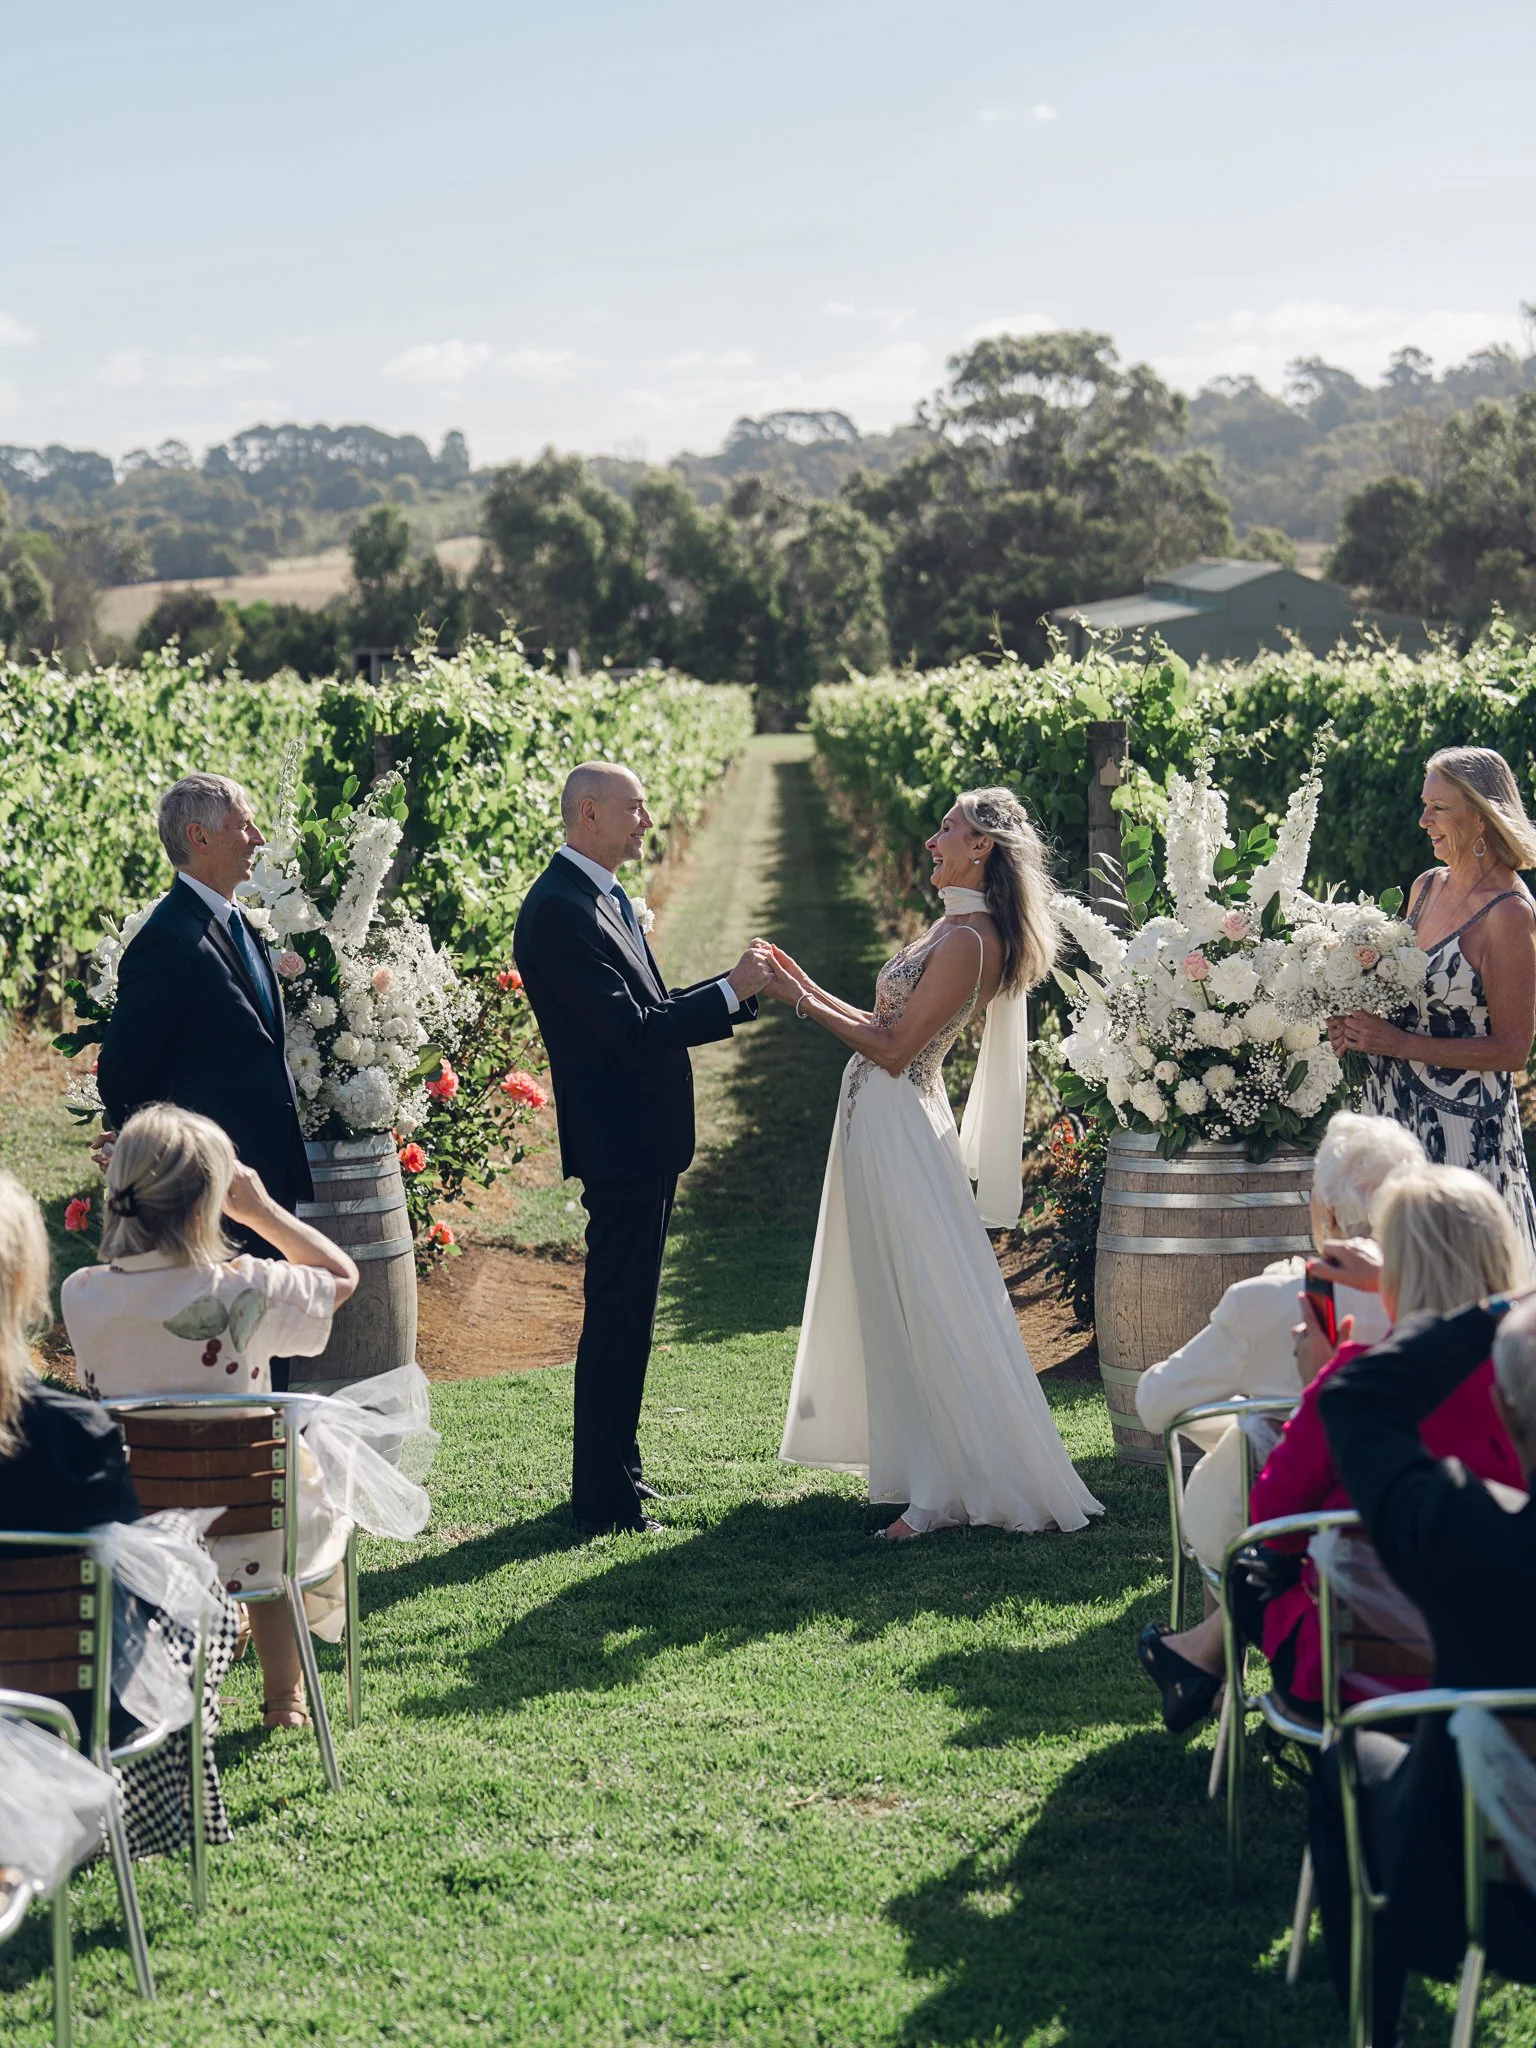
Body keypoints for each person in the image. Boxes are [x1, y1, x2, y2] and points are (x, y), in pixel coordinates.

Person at [771, 787, 1101, 1538]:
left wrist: (798, 998)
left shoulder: (968, 941)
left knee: (925, 1297)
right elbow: (884, 1023)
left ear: (981, 845)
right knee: (895, 1295)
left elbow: (893, 1050)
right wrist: (805, 984)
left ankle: (945, 1494)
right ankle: (924, 1471)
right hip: (876, 1123)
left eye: (946, 828)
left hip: (901, 1128)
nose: (931, 839)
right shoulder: (950, 926)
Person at [1137, 1164, 1526, 1732]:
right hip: (1511, 1670)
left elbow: (1271, 1519)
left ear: (1398, 1273)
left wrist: (1323, 1379)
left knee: (1261, 1560)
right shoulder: (1523, 1385)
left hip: (1356, 1679)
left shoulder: (1359, 1389)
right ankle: (1196, 1654)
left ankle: (1199, 1657)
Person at [512, 762, 773, 1535]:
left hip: (642, 1140)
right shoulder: (560, 910)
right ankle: (602, 1499)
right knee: (617, 1319)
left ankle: (618, 1476)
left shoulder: (594, 895)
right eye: (635, 808)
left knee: (629, 1318)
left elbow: (649, 1007)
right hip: (621, 1143)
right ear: (588, 814)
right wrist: (729, 990)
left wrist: (737, 991)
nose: (649, 820)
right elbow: (631, 1032)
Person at [61, 1105, 360, 1732]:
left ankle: (203, 1664)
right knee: (271, 1515)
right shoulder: (243, 1289)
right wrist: (263, 1211)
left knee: (246, 1504)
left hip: (143, 1527)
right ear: (211, 1201)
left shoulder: (82, 1294)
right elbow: (342, 1277)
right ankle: (286, 1703)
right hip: (254, 1522)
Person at [1308, 1288, 1536, 2044]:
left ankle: (1374, 2032)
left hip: (1492, 1905)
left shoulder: (1463, 1529)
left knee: (1348, 1756)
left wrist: (1496, 1308)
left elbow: (1356, 1398)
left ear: (1506, 1415)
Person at [0, 1166, 238, 1860]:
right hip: (66, 1722)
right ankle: (148, 1823)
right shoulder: (75, 1436)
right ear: (22, 1287)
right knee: (193, 1591)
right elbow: (134, 1602)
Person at [96, 773, 314, 1387]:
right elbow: (122, 1075)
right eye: (243, 824)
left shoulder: (238, 922)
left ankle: (277, 1469)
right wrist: (173, 1171)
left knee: (273, 1349)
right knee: (229, 1360)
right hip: (208, 1194)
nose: (258, 836)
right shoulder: (167, 941)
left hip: (264, 1178)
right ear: (199, 836)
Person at [1135, 1111, 1422, 1575]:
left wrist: (1251, 1424)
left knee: (1234, 1490)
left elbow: (1155, 1402)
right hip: (1404, 1522)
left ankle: (1223, 1644)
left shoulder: (1266, 1301)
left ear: (1324, 1210)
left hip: (1270, 1525)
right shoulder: (1440, 1305)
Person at [1331, 746, 1536, 1268]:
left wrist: (1397, 1043)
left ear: (1482, 815)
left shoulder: (1509, 915)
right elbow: (1399, 995)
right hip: (1392, 1115)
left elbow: (1514, 1050)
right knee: (1394, 1279)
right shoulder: (1425, 887)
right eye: (1424, 806)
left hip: (1463, 1134)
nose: (1423, 821)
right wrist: (1352, 1021)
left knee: (1457, 1284)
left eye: (1438, 808)